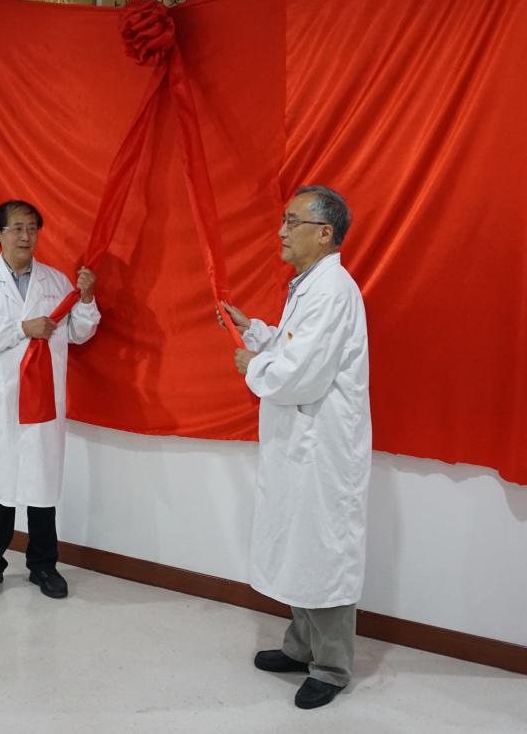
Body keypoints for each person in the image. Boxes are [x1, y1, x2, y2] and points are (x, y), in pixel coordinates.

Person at [219, 185, 371, 711]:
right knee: (298, 547)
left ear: (324, 233)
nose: (281, 232)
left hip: (323, 449)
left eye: (292, 222)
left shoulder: (332, 291)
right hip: (300, 444)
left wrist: (253, 365)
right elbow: (294, 346)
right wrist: (257, 334)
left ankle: (331, 667)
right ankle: (301, 646)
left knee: (323, 552)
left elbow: (301, 374)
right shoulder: (309, 286)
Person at [0, 200, 99, 601]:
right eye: (17, 228)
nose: (26, 236)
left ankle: (43, 566)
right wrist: (23, 328)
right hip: (2, 399)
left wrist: (87, 298)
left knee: (41, 485)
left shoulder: (56, 281)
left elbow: (79, 333)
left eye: (32, 228)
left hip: (42, 402)